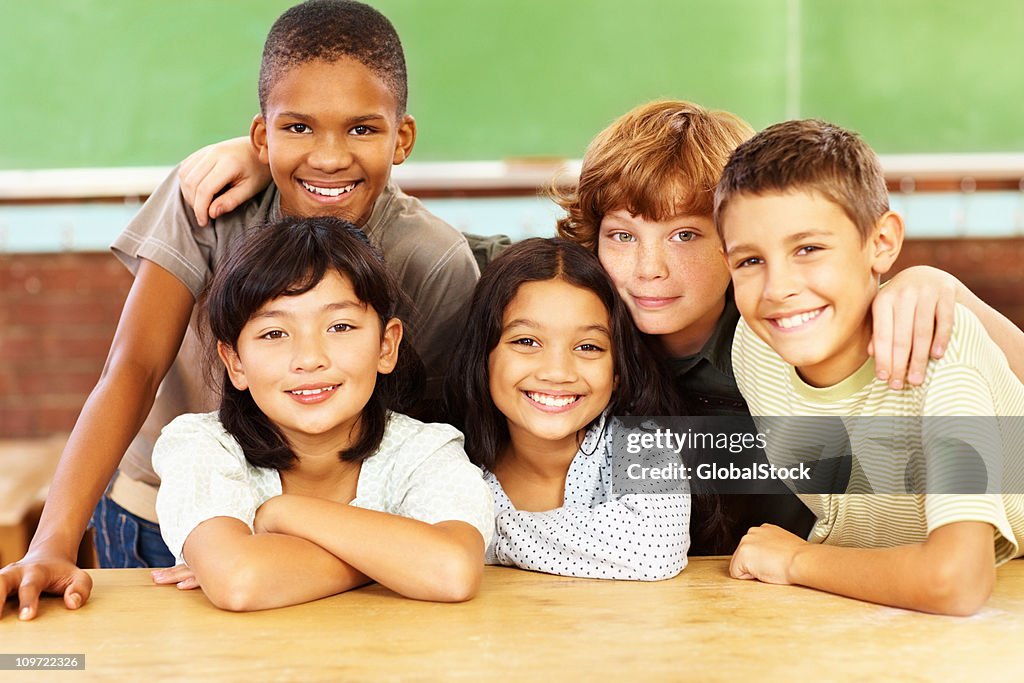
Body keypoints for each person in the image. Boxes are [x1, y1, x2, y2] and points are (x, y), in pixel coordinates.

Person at [0, 0, 480, 619]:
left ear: (402, 137)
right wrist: (54, 542)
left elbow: (432, 422)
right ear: (262, 135)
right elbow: (134, 367)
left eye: (361, 128)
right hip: (159, 505)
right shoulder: (208, 198)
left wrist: (356, 541)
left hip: (342, 524)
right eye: (298, 128)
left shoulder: (430, 257)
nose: (329, 157)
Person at [548, 100, 1024, 553]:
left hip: (826, 583)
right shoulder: (575, 321)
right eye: (623, 235)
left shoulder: (791, 329)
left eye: (685, 234)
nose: (649, 268)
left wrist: (945, 289)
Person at [717, 119, 1024, 616]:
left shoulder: (938, 352)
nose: (777, 288)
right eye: (749, 261)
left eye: (808, 249)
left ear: (882, 243)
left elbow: (958, 581)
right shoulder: (755, 347)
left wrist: (798, 559)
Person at [153, 215, 492, 610]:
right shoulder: (201, 447)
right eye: (274, 334)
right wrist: (393, 561)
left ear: (386, 346)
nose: (309, 359)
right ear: (236, 363)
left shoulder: (426, 451)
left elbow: (450, 571)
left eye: (341, 326)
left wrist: (281, 514)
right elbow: (241, 582)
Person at [444, 238, 705, 580]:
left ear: (617, 372)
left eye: (588, 347)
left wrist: (477, 535)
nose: (557, 372)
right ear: (483, 357)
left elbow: (654, 549)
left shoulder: (642, 446)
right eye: (526, 341)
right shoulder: (449, 461)